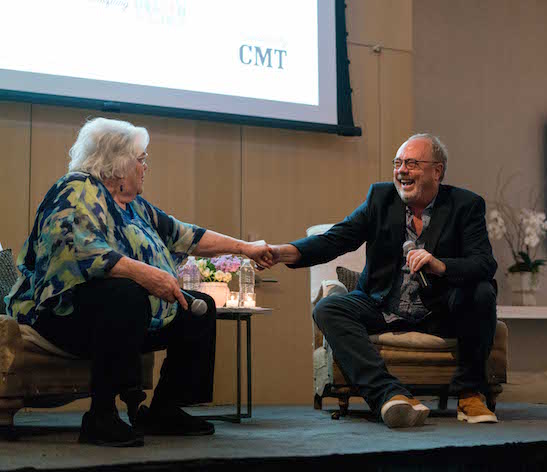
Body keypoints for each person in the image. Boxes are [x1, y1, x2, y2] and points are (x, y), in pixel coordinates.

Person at [4, 117, 273, 447]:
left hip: (119, 313)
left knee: (197, 310)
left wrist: (245, 248)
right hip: (61, 312)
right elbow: (78, 251)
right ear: (116, 165)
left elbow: (186, 235)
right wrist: (146, 274)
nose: (146, 166)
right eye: (141, 159)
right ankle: (100, 417)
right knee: (126, 294)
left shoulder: (134, 207)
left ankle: (165, 408)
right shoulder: (74, 190)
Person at [268, 133, 499, 428]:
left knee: (482, 292)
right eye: (398, 163)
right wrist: (285, 252)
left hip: (438, 310)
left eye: (412, 163)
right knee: (328, 309)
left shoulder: (465, 205)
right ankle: (390, 395)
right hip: (382, 304)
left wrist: (440, 265)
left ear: (437, 171)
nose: (402, 170)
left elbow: (484, 263)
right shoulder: (380, 198)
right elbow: (336, 239)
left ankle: (469, 394)